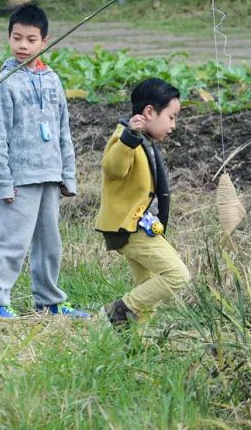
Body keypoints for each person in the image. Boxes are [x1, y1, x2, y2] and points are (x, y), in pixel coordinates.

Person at [0, 4, 88, 318]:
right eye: (17, 38)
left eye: (31, 39)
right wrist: (3, 181)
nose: (23, 45)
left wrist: (69, 175)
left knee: (49, 243)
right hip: (20, 178)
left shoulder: (53, 81)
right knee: (10, 240)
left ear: (45, 41)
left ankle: (49, 301)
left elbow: (63, 128)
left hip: (50, 174)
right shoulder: (4, 82)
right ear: (9, 38)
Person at [96, 78, 190, 326]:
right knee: (177, 274)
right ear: (149, 112)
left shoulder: (144, 140)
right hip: (130, 227)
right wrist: (128, 138)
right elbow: (113, 168)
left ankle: (138, 346)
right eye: (171, 117)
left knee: (148, 288)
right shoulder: (126, 137)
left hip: (142, 225)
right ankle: (117, 311)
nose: (173, 125)